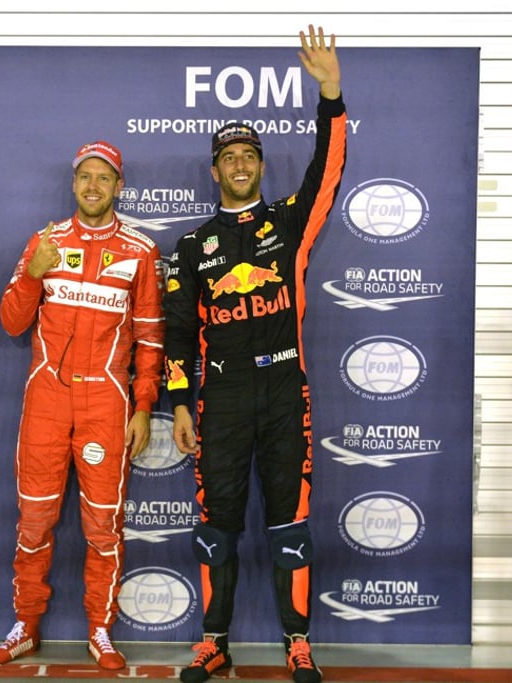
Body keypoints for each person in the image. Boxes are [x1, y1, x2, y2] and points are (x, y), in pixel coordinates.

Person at [163, 25, 345, 683]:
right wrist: (180, 403)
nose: (239, 164)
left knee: (290, 521)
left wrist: (330, 96)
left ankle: (298, 641)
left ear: (260, 165)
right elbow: (179, 334)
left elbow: (328, 170)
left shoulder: (289, 225)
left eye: (249, 155)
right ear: (215, 170)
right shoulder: (190, 247)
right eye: (228, 156)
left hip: (284, 389)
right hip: (221, 398)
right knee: (215, 526)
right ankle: (214, 640)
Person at [0, 141, 165, 670]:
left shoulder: (140, 251)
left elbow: (151, 339)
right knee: (34, 523)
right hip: (46, 402)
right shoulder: (45, 241)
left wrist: (143, 405)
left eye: (103, 178)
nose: (93, 186)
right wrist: (33, 273)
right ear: (73, 184)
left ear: (118, 187)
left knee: (103, 529)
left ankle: (100, 630)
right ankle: (25, 625)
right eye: (85, 177)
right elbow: (12, 322)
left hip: (105, 407)